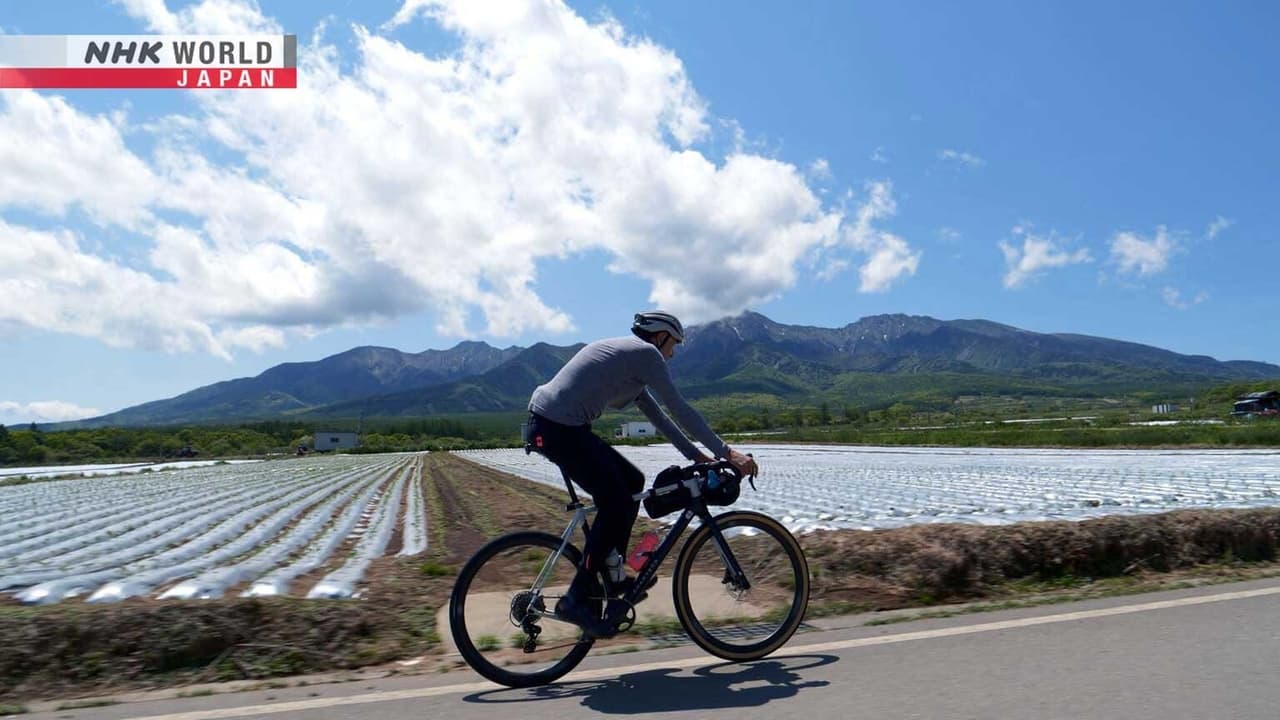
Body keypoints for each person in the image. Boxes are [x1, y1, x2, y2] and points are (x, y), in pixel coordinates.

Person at [525, 310, 758, 637]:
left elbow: (663, 420)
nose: (673, 353)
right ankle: (576, 598)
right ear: (661, 336)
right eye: (673, 344)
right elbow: (680, 408)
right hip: (558, 427)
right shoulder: (647, 355)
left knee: (632, 483)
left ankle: (614, 572)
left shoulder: (630, 365)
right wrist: (726, 452)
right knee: (615, 500)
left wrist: (697, 457)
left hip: (557, 424)